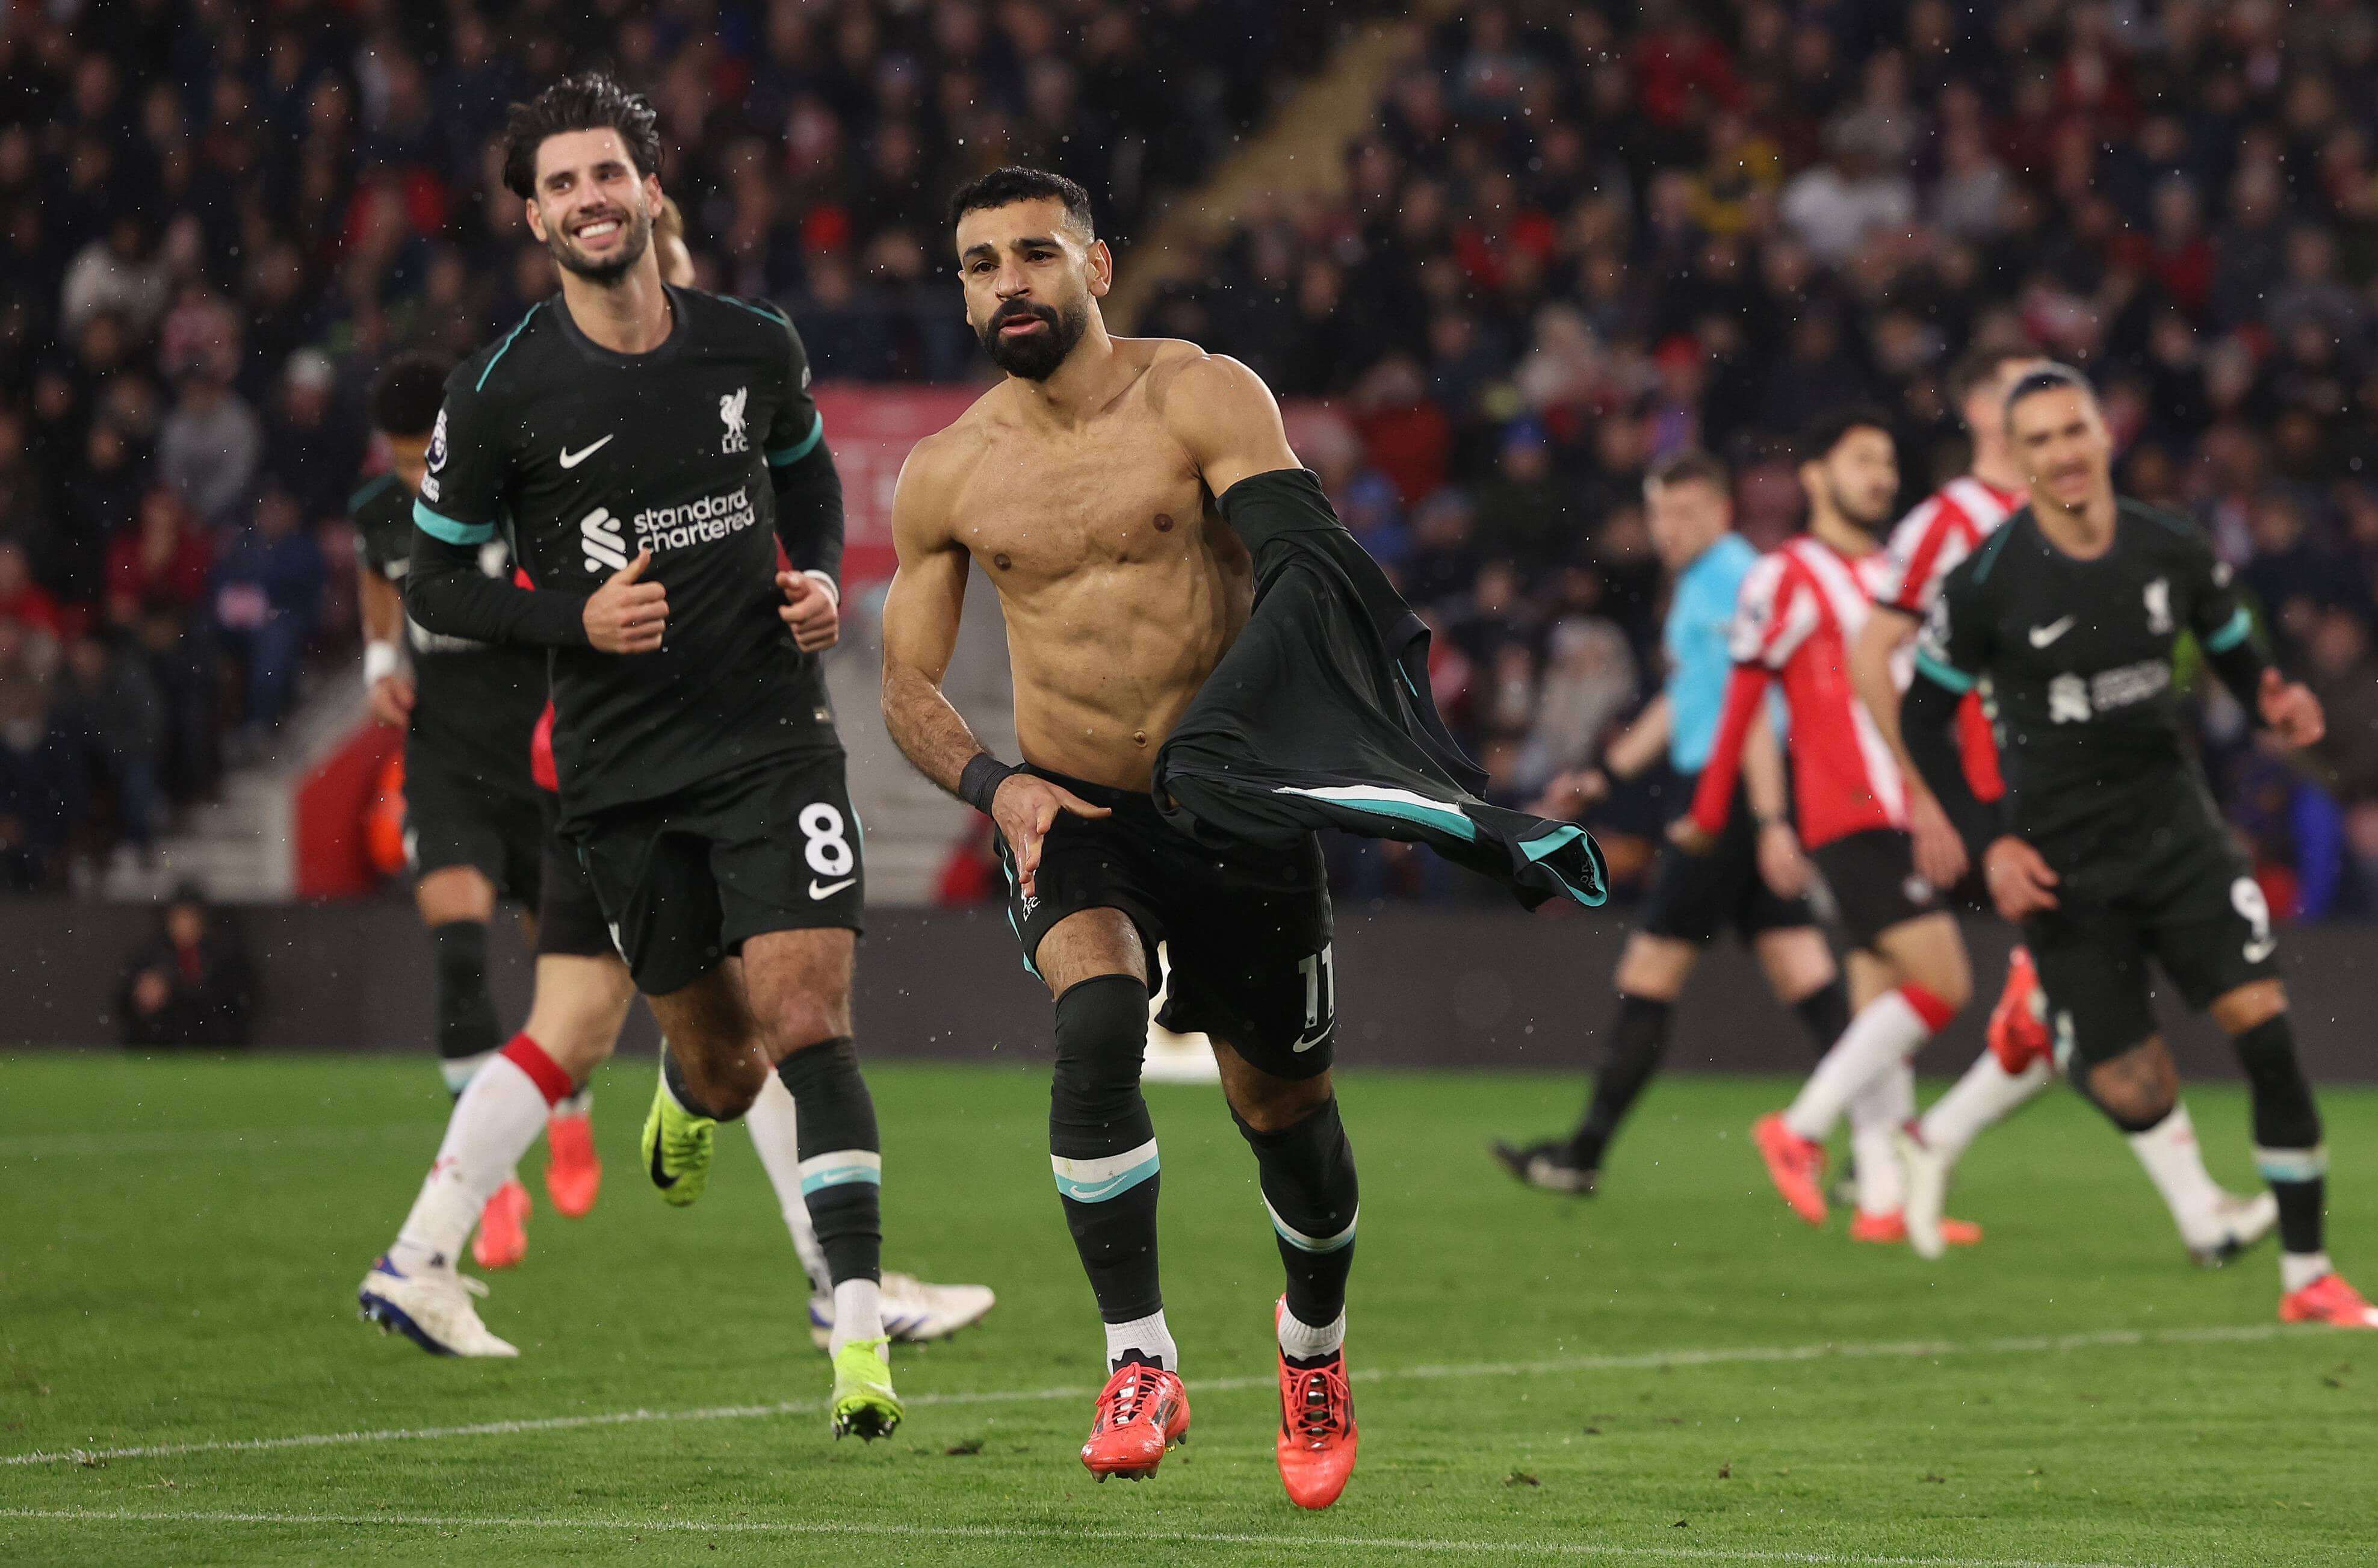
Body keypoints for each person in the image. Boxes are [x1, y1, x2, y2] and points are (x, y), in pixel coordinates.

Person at [359, 75, 903, 1437]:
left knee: (808, 1020)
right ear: (533, 217)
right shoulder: (498, 393)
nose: (589, 199)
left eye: (608, 173)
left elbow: (807, 473)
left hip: (772, 737)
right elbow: (437, 584)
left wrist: (819, 576)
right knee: (724, 1070)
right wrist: (573, 620)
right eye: (561, 184)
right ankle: (682, 1093)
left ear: (651, 190)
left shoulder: (752, 343)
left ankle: (854, 1332)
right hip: (617, 774)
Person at [881, 167, 1370, 1506]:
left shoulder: (1202, 395)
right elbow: (906, 689)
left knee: (1284, 1113)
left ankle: (1312, 1348)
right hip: (1076, 811)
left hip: (1239, 809)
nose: (1008, 282)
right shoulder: (948, 472)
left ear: (1095, 269)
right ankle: (1139, 1361)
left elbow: (1302, 563)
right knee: (1097, 1020)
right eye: (980, 264)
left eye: (1034, 254)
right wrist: (996, 786)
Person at [1903, 364, 2376, 1330]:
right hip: (2060, 861)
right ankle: (2068, 1036)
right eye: (2038, 440)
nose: (2061, 453)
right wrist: (1988, 845)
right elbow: (1921, 718)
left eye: (2071, 430)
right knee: (2133, 1084)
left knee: (2265, 1032)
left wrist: (2271, 699)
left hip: (2176, 834)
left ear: (2103, 433)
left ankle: (2307, 1275)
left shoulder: (2171, 546)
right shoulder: (1986, 582)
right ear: (2016, 457)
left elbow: (2231, 646)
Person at [1850, 348, 2271, 1263]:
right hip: (2011, 805)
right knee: (2071, 1009)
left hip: (2093, 797)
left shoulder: (2081, 514)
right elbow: (1871, 650)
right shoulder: (1948, 524)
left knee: (2058, 1010)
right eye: (2018, 393)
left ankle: (1930, 1140)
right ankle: (2193, 1211)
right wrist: (1924, 794)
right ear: (1983, 412)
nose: (2043, 419)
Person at [1493, 449, 1856, 1198]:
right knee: (1807, 973)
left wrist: (1756, 815)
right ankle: (1885, 1149)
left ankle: (1582, 1154)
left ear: (1722, 512)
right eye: (1659, 512)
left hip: (1730, 794)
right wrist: (1608, 773)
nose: (1669, 528)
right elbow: (1687, 695)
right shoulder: (1706, 581)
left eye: (1686, 512)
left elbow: (1747, 710)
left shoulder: (1730, 580)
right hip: (1742, 792)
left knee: (1649, 973)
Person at [1677, 409, 1979, 1242]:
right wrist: (1726, 815)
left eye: (1887, 462)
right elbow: (1743, 699)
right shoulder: (1785, 575)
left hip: (1903, 804)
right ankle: (1800, 1128)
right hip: (1847, 811)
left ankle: (1882, 1198)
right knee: (1943, 982)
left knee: (1880, 994)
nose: (1881, 477)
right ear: (1814, 476)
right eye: (1861, 460)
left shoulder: (1894, 575)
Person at [351, 349, 579, 1272]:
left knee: (563, 968)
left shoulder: (518, 491)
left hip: (541, 756)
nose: (416, 478)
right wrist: (380, 662)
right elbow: (378, 578)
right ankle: (487, 1180)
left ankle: (571, 1115)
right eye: (402, 460)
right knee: (456, 953)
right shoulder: (379, 512)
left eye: (426, 457)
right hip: (445, 758)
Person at [117, 884, 253, 1047]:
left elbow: (244, 1001)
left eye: (191, 917)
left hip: (214, 1047)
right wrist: (140, 997)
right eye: (180, 917)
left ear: (203, 921)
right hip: (160, 1047)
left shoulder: (224, 956)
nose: (185, 925)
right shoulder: (150, 955)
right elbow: (123, 1001)